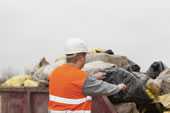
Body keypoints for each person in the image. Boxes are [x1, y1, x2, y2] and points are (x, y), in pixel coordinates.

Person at [48, 38, 127, 113]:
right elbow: (102, 87)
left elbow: (72, 84)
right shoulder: (80, 77)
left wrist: (93, 77)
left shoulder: (56, 72)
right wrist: (118, 87)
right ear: (81, 57)